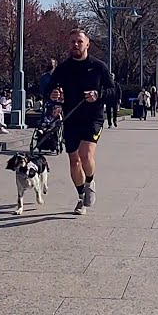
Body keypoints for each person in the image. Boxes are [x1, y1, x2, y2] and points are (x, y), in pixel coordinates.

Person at [47, 28, 117, 216]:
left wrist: (98, 94)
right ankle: (80, 197)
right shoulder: (63, 69)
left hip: (93, 118)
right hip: (71, 118)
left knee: (85, 155)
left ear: (87, 44)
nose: (75, 45)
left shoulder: (98, 67)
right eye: (72, 42)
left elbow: (113, 92)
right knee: (74, 161)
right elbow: (48, 90)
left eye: (79, 41)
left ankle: (90, 181)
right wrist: (53, 95)